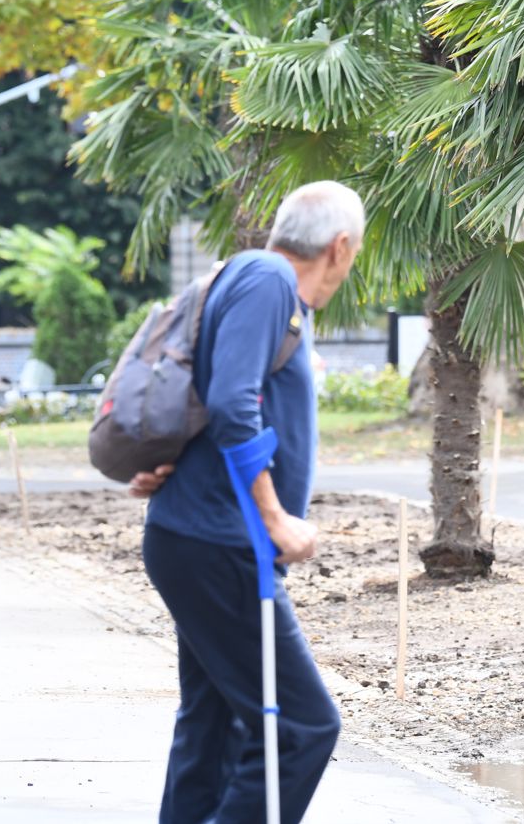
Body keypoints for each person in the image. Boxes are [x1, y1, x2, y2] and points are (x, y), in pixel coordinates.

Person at [128, 181, 364, 824]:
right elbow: (234, 405)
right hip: (219, 543)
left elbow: (210, 395)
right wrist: (274, 515)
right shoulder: (267, 281)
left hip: (200, 537)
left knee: (213, 729)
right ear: (340, 247)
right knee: (303, 728)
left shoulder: (255, 282)